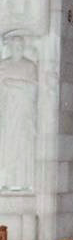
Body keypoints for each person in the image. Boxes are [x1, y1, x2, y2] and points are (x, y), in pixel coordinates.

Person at [0, 34, 38, 191]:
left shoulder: (30, 66)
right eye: (15, 45)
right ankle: (6, 181)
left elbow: (33, 88)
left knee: (23, 146)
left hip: (23, 114)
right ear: (10, 47)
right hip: (7, 114)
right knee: (7, 146)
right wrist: (19, 86)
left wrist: (13, 84)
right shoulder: (3, 65)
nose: (18, 48)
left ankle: (23, 182)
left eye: (20, 46)